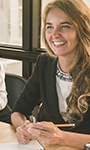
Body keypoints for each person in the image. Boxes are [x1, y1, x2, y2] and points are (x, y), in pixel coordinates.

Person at [11, 0, 90, 148]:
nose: (54, 34)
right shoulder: (44, 63)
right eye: (49, 27)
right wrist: (24, 128)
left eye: (65, 26)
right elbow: (18, 112)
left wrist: (62, 138)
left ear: (82, 30)